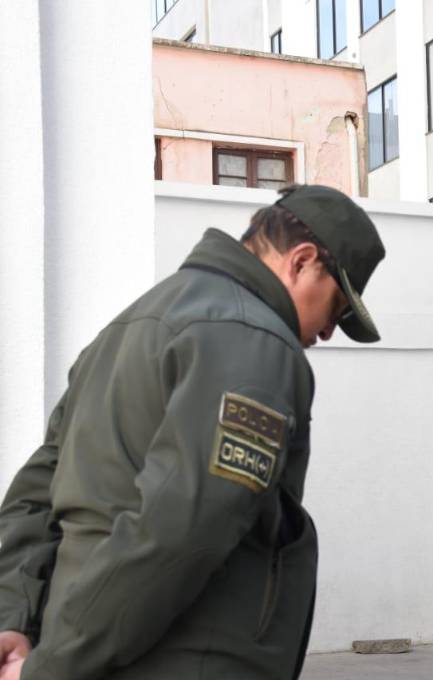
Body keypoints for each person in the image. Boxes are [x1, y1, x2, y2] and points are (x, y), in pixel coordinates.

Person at [0, 184, 385, 680]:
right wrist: (54, 666)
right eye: (337, 308)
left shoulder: (130, 325)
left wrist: (14, 619)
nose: (329, 331)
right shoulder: (254, 339)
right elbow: (182, 530)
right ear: (302, 261)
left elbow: (35, 493)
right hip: (179, 658)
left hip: (88, 649)